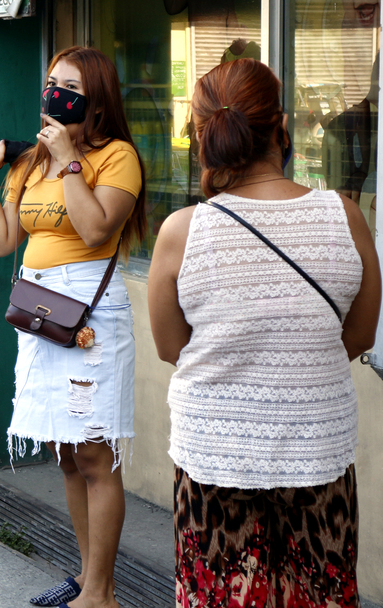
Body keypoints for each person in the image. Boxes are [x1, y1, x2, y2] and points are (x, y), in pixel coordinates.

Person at [148, 58, 380, 607]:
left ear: (204, 138)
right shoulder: (344, 215)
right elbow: (361, 335)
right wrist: (302, 360)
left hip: (214, 460)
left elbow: (170, 347)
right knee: (319, 595)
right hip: (318, 455)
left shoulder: (183, 230)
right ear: (282, 128)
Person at [0, 46, 146, 608]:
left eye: (69, 86)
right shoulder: (30, 160)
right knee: (65, 452)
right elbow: (3, 242)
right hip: (38, 312)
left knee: (95, 453)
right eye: (51, 82)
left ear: (95, 100)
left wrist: (70, 158)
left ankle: (101, 592)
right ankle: (87, 577)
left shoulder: (116, 157)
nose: (55, 93)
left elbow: (96, 230)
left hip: (89, 316)